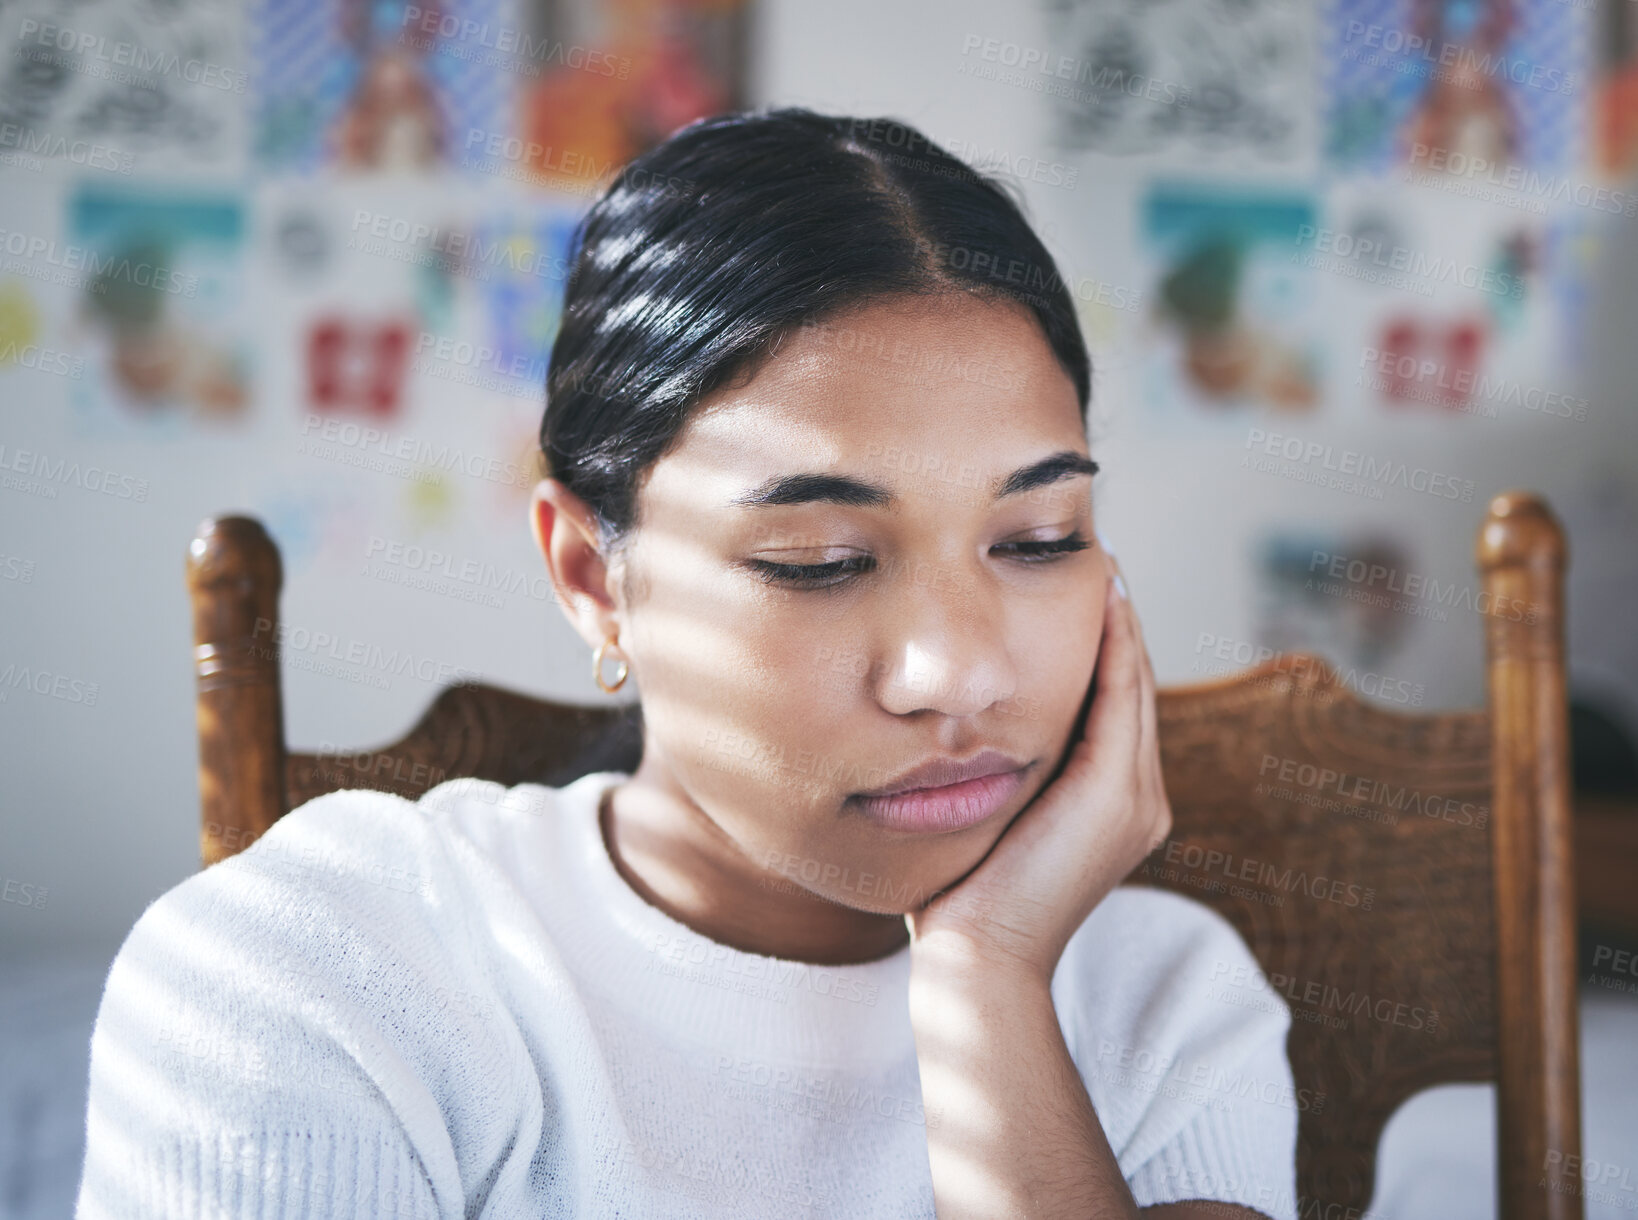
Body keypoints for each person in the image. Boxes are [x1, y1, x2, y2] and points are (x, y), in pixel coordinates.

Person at [76, 108, 1300, 1219]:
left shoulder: (1163, 1002)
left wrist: (987, 978)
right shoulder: (318, 967)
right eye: (821, 558)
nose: (956, 673)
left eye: (1040, 539)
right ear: (595, 578)